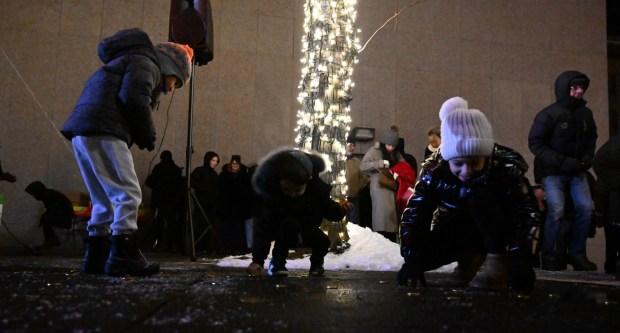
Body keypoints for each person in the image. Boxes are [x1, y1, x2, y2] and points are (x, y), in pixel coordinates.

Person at [61, 28, 194, 276]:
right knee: (129, 194)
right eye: (178, 80)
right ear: (171, 66)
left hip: (83, 130)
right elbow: (134, 97)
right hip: (105, 129)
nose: (174, 87)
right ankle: (122, 257)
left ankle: (95, 259)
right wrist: (147, 133)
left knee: (102, 199)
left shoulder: (125, 60)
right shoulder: (147, 63)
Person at [398, 97, 540, 293]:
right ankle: (470, 260)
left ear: (485, 157)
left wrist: (520, 257)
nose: (466, 171)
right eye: (458, 164)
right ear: (448, 160)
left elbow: (527, 214)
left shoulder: (505, 168)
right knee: (421, 257)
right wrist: (412, 257)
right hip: (461, 228)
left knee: (479, 198)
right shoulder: (435, 171)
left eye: (474, 163)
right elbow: (416, 212)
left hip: (500, 228)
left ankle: (497, 264)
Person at [528, 70, 598, 271]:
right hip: (553, 172)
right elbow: (535, 143)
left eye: (582, 88)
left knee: (585, 209)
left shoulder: (586, 114)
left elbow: (591, 138)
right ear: (565, 89)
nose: (579, 91)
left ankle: (577, 254)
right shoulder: (549, 114)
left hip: (577, 171)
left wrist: (586, 160)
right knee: (556, 211)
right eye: (575, 88)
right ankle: (549, 255)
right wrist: (562, 161)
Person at [246, 147, 353, 277]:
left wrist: (340, 210)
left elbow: (329, 209)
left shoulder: (316, 190)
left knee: (322, 241)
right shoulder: (270, 193)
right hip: (281, 229)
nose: (292, 195)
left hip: (306, 228)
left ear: (307, 182)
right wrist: (257, 261)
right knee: (287, 225)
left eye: (297, 190)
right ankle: (278, 262)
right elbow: (262, 227)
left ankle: (317, 264)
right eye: (286, 189)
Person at [359, 126, 404, 242]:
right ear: (384, 143)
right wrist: (380, 163)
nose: (390, 148)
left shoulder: (396, 154)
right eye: (388, 145)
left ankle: (391, 245)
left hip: (392, 189)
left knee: (391, 222)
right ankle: (379, 243)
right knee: (381, 220)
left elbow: (404, 167)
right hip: (379, 189)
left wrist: (399, 173)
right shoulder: (374, 151)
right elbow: (363, 166)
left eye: (393, 146)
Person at [592, 133, 620, 279]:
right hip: (612, 200)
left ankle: (611, 265)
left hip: (611, 199)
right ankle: (611, 266)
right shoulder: (611, 152)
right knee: (614, 233)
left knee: (613, 234)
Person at [144, 150, 184, 252]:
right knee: (172, 225)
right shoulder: (175, 169)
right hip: (172, 202)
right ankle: (173, 246)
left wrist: (158, 187)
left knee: (158, 224)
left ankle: (157, 245)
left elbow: (149, 182)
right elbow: (179, 186)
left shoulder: (158, 168)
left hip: (159, 201)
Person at [217, 155, 253, 255]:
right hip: (228, 206)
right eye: (233, 163)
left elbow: (247, 191)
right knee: (228, 228)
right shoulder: (224, 175)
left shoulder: (244, 176)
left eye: (237, 163)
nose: (235, 165)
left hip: (239, 207)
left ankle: (237, 247)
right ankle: (227, 247)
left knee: (238, 229)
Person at [24, 181, 74, 250]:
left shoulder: (47, 195)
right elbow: (51, 208)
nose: (34, 196)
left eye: (33, 194)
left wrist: (45, 217)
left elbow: (54, 208)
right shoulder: (48, 194)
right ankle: (50, 240)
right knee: (46, 220)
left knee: (46, 221)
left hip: (64, 216)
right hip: (64, 215)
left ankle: (51, 241)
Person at [190, 151, 221, 253]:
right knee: (201, 225)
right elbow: (192, 182)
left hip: (211, 205)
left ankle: (206, 247)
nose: (215, 163)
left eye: (216, 161)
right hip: (201, 204)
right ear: (208, 160)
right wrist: (204, 190)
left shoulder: (214, 174)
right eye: (213, 160)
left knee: (209, 226)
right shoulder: (200, 171)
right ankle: (198, 247)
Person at [344, 136, 367, 224]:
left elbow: (362, 177)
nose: (352, 148)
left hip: (354, 196)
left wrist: (358, 187)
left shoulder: (356, 161)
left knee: (353, 222)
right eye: (350, 145)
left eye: (354, 145)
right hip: (342, 197)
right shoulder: (339, 161)